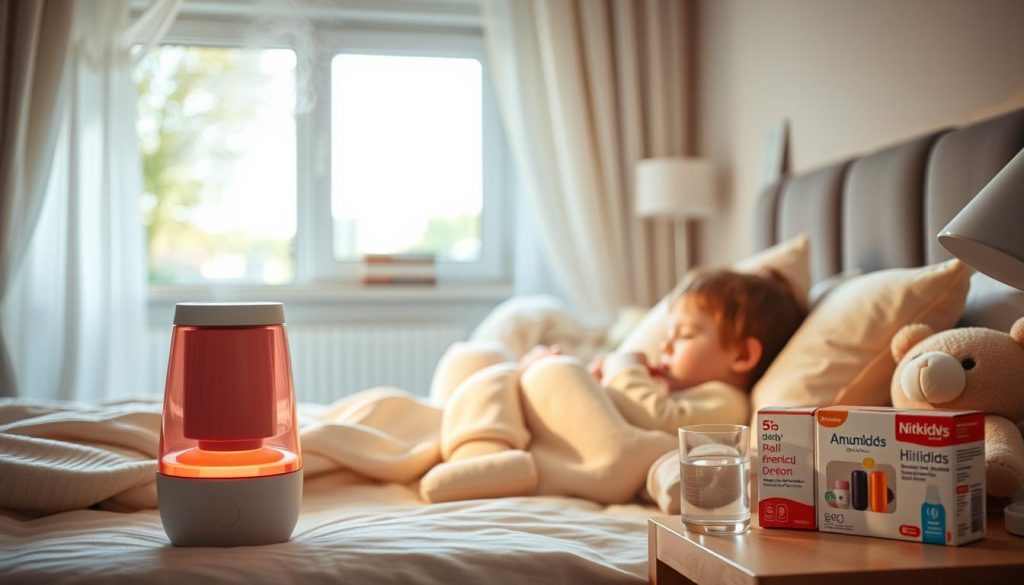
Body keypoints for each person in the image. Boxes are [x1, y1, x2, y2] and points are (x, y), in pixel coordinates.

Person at [576, 267, 807, 434]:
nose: (664, 347)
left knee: (558, 371)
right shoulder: (683, 392)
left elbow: (659, 418)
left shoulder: (728, 403)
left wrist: (623, 367)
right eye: (668, 335)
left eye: (685, 335)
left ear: (742, 355)